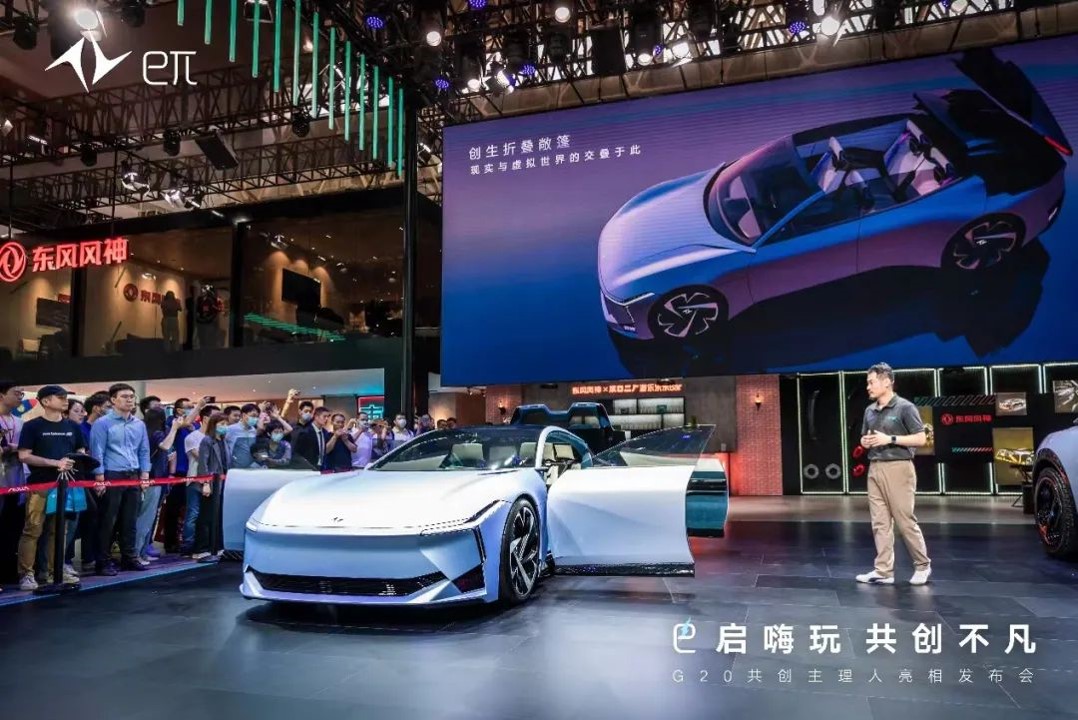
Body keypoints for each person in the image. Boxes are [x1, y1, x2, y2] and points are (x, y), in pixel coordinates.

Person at [856, 362, 932, 586]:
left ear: (887, 382)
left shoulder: (905, 407)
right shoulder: (869, 411)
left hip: (899, 467)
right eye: (868, 383)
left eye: (872, 382)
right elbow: (864, 437)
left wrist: (890, 439)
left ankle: (923, 566)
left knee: (904, 520)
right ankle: (883, 570)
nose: (868, 387)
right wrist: (866, 441)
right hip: (875, 467)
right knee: (879, 522)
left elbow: (921, 438)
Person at [17, 385, 86, 589]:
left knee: (59, 530)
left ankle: (53, 571)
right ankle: (26, 574)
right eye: (60, 397)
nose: (65, 400)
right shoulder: (32, 426)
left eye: (65, 397)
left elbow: (80, 451)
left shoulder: (73, 427)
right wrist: (54, 463)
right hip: (40, 484)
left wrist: (76, 459)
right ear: (45, 401)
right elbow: (24, 455)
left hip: (65, 485)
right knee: (33, 529)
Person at [89, 383, 151, 575]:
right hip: (111, 475)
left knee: (130, 520)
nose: (129, 400)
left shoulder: (139, 424)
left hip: (133, 475)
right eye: (124, 396)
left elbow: (144, 450)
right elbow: (97, 450)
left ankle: (129, 557)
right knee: (108, 520)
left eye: (132, 396)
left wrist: (145, 474)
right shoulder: (102, 423)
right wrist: (99, 476)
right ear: (113, 400)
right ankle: (103, 561)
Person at [138, 407, 189, 563]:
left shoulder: (145, 431)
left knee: (148, 517)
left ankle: (141, 552)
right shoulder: (156, 433)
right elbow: (165, 446)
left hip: (154, 478)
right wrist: (174, 428)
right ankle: (137, 553)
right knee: (146, 518)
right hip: (153, 479)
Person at [180, 404, 217, 554]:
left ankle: (206, 544)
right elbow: (202, 458)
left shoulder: (217, 438)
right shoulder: (192, 437)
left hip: (214, 481)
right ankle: (188, 545)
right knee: (193, 514)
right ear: (206, 418)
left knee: (209, 514)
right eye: (215, 416)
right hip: (195, 479)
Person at [193, 413, 229, 562]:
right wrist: (206, 483)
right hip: (211, 484)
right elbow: (203, 463)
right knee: (206, 517)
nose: (224, 427)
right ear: (214, 425)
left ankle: (217, 547)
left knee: (218, 516)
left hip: (223, 484)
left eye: (225, 424)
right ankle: (201, 549)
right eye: (221, 424)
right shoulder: (207, 441)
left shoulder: (224, 441)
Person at [225, 403, 263, 469]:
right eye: (253, 416)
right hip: (235, 467)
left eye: (257, 417)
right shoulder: (231, 429)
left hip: (250, 467)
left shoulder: (253, 430)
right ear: (244, 415)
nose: (255, 419)